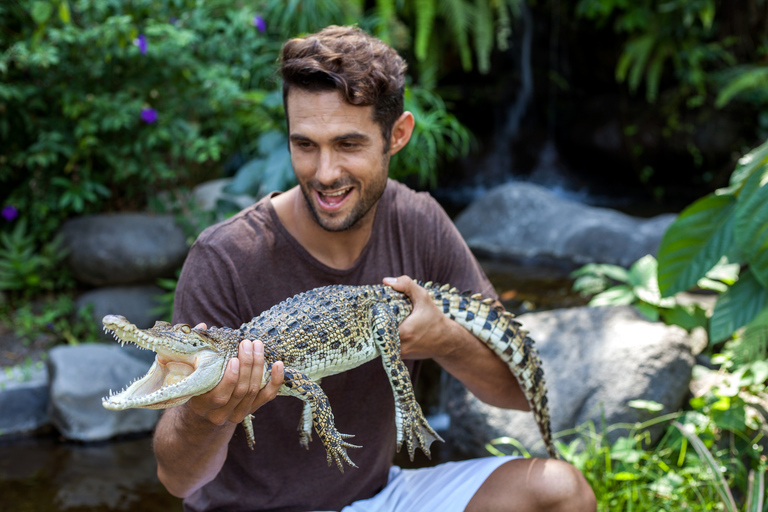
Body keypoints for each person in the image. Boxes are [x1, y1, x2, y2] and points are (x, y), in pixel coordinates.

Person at [154, 25, 596, 512]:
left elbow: (518, 393)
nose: (324, 173)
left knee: (560, 491)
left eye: (347, 144)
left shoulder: (419, 222)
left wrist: (444, 339)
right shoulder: (224, 256)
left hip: (379, 498)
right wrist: (205, 414)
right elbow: (176, 479)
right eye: (305, 144)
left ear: (397, 135)